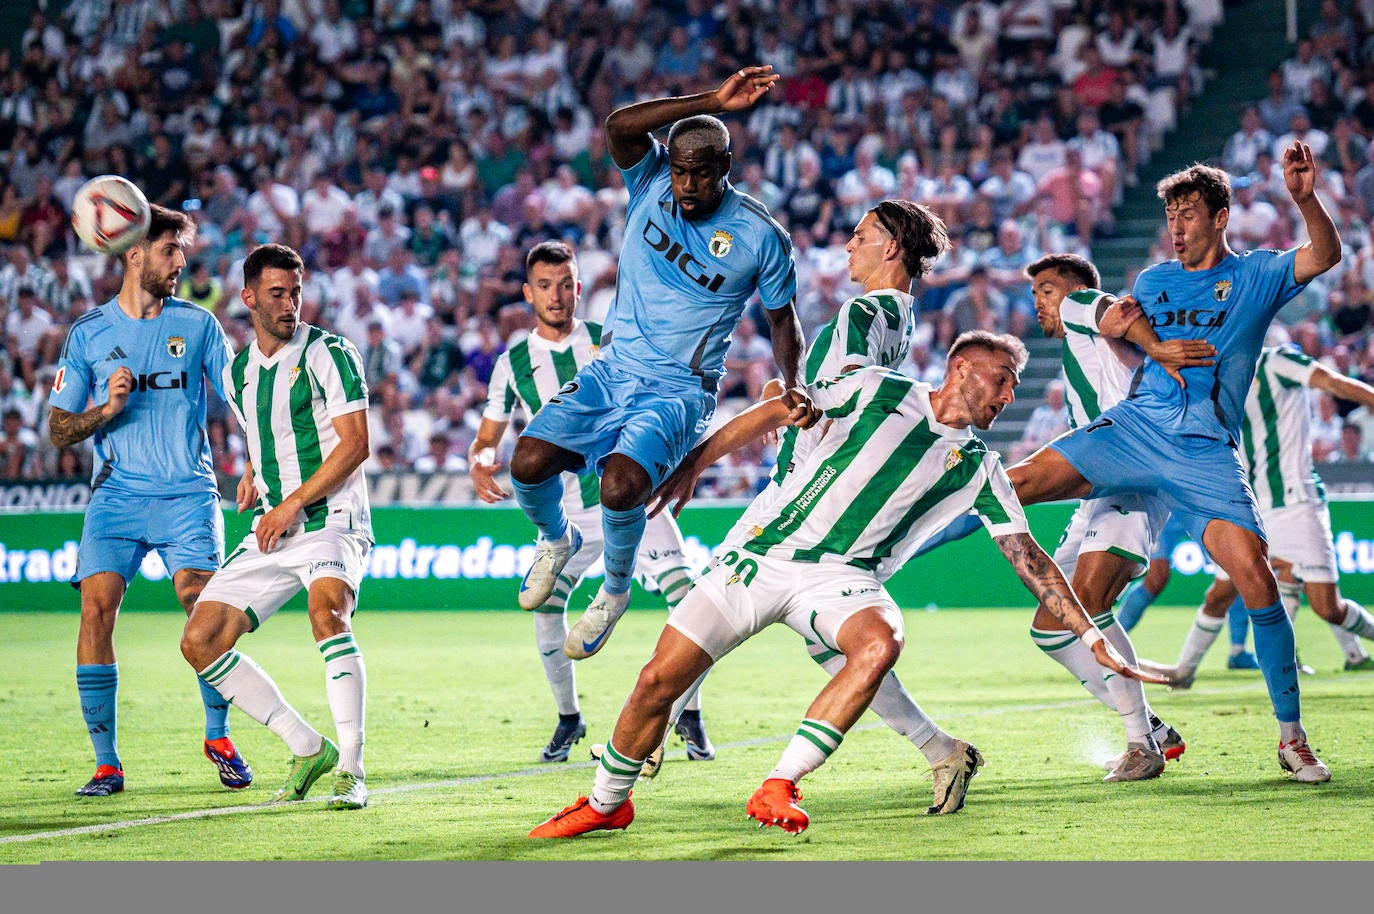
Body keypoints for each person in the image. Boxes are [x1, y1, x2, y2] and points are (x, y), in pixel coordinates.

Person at [529, 332, 1161, 839]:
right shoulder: (874, 388)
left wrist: (1089, 632)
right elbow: (780, 408)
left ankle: (781, 782)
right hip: (762, 553)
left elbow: (1028, 557)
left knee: (881, 642)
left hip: (843, 578)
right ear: (961, 366)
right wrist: (696, 462)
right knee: (656, 683)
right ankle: (608, 804)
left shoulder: (981, 467)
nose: (1006, 397)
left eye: (1012, 388)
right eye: (1001, 381)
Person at [1006, 145, 1343, 783]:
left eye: (1188, 214)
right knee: (1010, 482)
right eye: (1169, 216)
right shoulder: (1154, 282)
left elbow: (1324, 255)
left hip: (1204, 449)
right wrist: (1151, 342)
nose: (1176, 227)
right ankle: (892, 546)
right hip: (1135, 430)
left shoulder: (1257, 276)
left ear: (1221, 217)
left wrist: (1303, 198)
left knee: (1257, 579)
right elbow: (1117, 323)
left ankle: (1291, 738)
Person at [508, 65, 809, 662]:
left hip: (678, 391)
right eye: (679, 170)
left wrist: (792, 384)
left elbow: (782, 319)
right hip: (613, 368)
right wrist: (713, 101)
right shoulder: (648, 185)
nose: (687, 185)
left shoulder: (760, 236)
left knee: (621, 488)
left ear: (725, 168)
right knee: (527, 462)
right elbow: (619, 125)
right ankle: (555, 540)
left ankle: (615, 592)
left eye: (701, 172)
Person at [468, 241, 713, 766]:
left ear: (579, 288)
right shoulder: (512, 361)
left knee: (689, 599)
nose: (556, 296)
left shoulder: (613, 341)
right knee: (545, 609)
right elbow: (490, 432)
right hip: (570, 510)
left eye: (565, 284)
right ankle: (568, 718)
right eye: (545, 285)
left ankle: (687, 714)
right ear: (527, 291)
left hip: (631, 497)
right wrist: (481, 456)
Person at [48, 202, 248, 798]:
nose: (180, 263)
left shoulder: (199, 325)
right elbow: (58, 428)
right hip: (117, 497)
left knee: (200, 604)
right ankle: (107, 763)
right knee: (95, 609)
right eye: (170, 251)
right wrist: (104, 412)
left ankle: (218, 733)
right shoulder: (88, 334)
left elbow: (243, 397)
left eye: (181, 252)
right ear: (133, 254)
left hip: (188, 492)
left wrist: (260, 465)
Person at [180, 243, 373, 810]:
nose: (290, 304)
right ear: (248, 299)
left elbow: (356, 444)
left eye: (295, 292)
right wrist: (250, 475)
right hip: (274, 525)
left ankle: (353, 770)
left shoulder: (330, 353)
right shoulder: (239, 372)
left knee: (327, 614)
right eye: (276, 294)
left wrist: (289, 504)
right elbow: (268, 437)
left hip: (332, 519)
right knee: (200, 640)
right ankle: (307, 747)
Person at [1019, 253, 1217, 779]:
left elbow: (1114, 310)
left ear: (1072, 289)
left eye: (1046, 289)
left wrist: (1158, 349)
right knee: (1050, 626)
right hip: (1102, 487)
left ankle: (1141, 745)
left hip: (1131, 473)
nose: (1039, 300)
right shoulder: (1084, 351)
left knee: (1090, 599)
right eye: (1035, 292)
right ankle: (1150, 727)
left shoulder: (1082, 307)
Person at [1141, 342, 1374, 684]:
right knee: (1219, 594)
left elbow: (1332, 382)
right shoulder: (1216, 375)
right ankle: (1184, 672)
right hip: (1248, 506)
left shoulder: (1277, 361)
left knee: (1328, 607)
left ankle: (1350, 651)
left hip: (1296, 504)